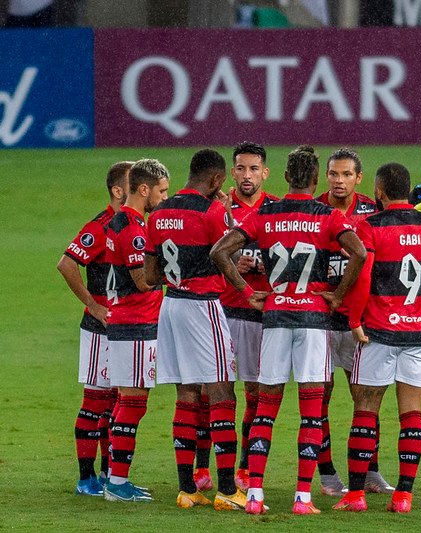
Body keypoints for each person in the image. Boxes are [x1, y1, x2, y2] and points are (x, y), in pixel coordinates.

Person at [210, 145, 366, 516]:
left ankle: (255, 495)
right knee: (311, 412)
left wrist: (247, 293)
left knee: (265, 408)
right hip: (313, 319)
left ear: (284, 177)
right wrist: (336, 295)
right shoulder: (327, 215)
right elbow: (359, 253)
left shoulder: (265, 213)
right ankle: (302, 498)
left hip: (275, 316)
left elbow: (220, 251)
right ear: (316, 180)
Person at [332, 162, 421, 514]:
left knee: (365, 410)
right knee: (412, 414)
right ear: (408, 191)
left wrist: (355, 319)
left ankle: (356, 495)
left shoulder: (369, 226)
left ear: (378, 191)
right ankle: (404, 495)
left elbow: (361, 279)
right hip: (418, 334)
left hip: (378, 332)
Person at [144, 149, 244, 511]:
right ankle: (229, 489)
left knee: (186, 394)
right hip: (204, 307)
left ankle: (188, 489)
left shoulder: (158, 212)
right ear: (217, 180)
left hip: (170, 306)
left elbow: (151, 275)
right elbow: (227, 255)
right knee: (222, 393)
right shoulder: (214, 211)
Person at [314, 148, 392, 496]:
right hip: (321, 318)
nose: (339, 181)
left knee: (365, 395)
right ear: (326, 176)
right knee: (321, 397)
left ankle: (371, 469)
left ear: (359, 178)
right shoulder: (314, 209)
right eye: (333, 174)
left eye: (346, 175)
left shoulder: (372, 212)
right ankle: (328, 474)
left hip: (358, 320)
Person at [57, 161, 132, 496]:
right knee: (95, 402)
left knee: (118, 402)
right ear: (118, 191)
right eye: (135, 183)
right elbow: (67, 263)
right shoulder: (99, 227)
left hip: (127, 326)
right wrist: (93, 304)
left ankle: (108, 475)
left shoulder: (135, 225)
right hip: (100, 328)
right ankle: (86, 478)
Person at [103, 159, 170, 502]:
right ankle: (116, 483)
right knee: (132, 402)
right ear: (144, 189)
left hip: (127, 323)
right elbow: (142, 282)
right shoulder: (133, 228)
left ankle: (115, 479)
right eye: (162, 191)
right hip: (136, 324)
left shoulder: (121, 221)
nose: (164, 197)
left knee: (128, 403)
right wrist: (174, 274)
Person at [216, 142, 279, 493]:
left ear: (265, 173)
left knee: (255, 390)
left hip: (259, 311)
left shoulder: (274, 210)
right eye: (240, 168)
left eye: (254, 169)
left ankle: (242, 465)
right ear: (232, 172)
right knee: (215, 390)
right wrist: (227, 263)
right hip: (225, 309)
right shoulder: (220, 209)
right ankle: (202, 468)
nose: (246, 176)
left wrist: (260, 263)